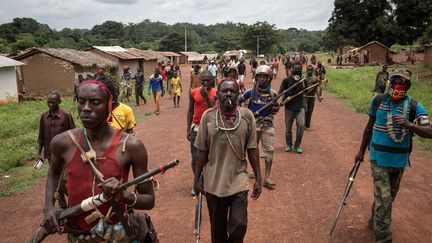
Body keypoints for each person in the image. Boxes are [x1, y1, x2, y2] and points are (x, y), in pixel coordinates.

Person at [42, 79, 155, 242]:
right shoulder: (63, 143)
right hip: (77, 235)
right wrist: (48, 208)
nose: (86, 108)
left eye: (95, 102)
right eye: (81, 101)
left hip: (117, 234)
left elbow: (149, 200)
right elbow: (53, 172)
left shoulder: (130, 146)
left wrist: (123, 196)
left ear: (111, 105)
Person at [355, 68, 432, 243]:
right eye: (395, 80)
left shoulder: (414, 107)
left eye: (402, 82)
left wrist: (410, 126)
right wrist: (360, 151)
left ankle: (374, 220)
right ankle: (384, 238)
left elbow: (429, 131)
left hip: (399, 161)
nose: (398, 85)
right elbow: (368, 127)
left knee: (388, 198)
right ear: (390, 82)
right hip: (378, 159)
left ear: (408, 86)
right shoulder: (378, 101)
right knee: (384, 199)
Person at [194, 79, 262, 243]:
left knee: (239, 225)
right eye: (225, 91)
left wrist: (259, 178)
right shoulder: (208, 117)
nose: (229, 94)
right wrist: (196, 179)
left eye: (232, 91)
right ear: (217, 94)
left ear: (238, 94)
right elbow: (202, 151)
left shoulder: (246, 117)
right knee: (218, 233)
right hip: (214, 183)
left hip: (238, 181)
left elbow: (252, 149)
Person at [238, 65, 279, 189]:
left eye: (264, 77)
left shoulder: (273, 94)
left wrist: (275, 109)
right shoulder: (250, 93)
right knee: (251, 149)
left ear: (269, 79)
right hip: (253, 126)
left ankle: (266, 177)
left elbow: (276, 108)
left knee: (269, 151)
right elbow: (238, 101)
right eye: (259, 76)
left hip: (268, 125)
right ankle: (253, 172)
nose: (262, 79)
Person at [38, 91, 75, 208]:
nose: (50, 105)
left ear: (59, 102)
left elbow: (73, 133)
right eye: (48, 102)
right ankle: (62, 204)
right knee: (55, 178)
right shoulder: (44, 116)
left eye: (53, 102)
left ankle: (74, 200)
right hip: (50, 154)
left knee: (65, 180)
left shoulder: (66, 115)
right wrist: (39, 153)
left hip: (65, 154)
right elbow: (41, 136)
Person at [186, 70, 217, 196]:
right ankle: (197, 182)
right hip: (196, 128)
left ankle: (210, 183)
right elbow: (189, 111)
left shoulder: (216, 93)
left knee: (211, 158)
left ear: (212, 80)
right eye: (203, 80)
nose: (205, 82)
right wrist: (188, 129)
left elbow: (214, 111)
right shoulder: (193, 92)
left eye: (208, 80)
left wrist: (206, 97)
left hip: (211, 129)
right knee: (195, 158)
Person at [279, 62, 306, 154]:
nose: (297, 71)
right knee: (288, 128)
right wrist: (278, 102)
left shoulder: (303, 81)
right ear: (292, 69)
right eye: (296, 69)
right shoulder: (286, 80)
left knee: (301, 126)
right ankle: (289, 144)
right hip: (289, 108)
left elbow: (308, 91)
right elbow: (280, 92)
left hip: (300, 107)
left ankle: (297, 145)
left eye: (299, 69)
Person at [303, 65, 322, 130]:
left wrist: (318, 97)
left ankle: (307, 125)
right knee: (305, 111)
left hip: (312, 98)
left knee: (310, 112)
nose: (310, 71)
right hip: (305, 97)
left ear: (313, 71)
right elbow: (304, 90)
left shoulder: (315, 78)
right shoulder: (304, 79)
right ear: (306, 70)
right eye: (308, 70)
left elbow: (316, 89)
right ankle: (303, 124)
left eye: (311, 70)